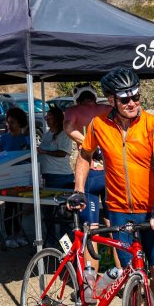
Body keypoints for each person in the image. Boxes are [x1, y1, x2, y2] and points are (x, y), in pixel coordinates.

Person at [72, 68, 154, 306]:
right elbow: (84, 155)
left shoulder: (153, 125)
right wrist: (78, 189)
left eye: (136, 96)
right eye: (125, 99)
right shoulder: (99, 125)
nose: (132, 103)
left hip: (151, 210)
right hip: (119, 212)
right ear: (111, 100)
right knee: (131, 280)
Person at [64, 85, 111, 229]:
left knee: (90, 229)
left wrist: (87, 143)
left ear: (77, 98)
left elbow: (68, 128)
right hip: (109, 171)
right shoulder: (107, 108)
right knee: (115, 227)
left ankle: (90, 252)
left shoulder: (73, 110)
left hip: (88, 172)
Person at [37, 105, 75, 244]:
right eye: (46, 117)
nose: (46, 119)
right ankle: (52, 243)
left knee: (63, 215)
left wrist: (44, 152)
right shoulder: (47, 133)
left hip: (61, 178)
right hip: (47, 177)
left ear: (57, 118)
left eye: (49, 117)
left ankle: (66, 246)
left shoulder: (64, 134)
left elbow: (63, 153)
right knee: (48, 213)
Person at [0, 106, 31, 249]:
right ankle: (8, 236)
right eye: (8, 122)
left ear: (20, 123)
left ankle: (18, 234)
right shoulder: (3, 138)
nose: (9, 125)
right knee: (9, 207)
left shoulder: (26, 139)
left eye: (13, 123)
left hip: (21, 179)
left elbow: (30, 158)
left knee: (19, 207)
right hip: (6, 179)